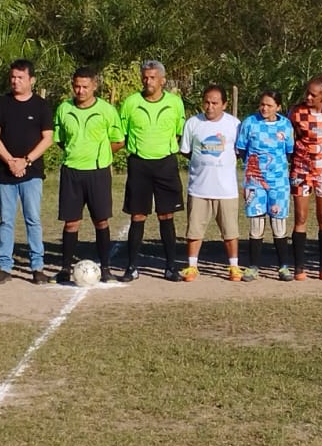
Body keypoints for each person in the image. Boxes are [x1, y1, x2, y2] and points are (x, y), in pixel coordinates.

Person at [53, 68, 124, 284]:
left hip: (98, 172)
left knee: (100, 221)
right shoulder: (63, 109)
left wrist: (101, 155)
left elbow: (119, 140)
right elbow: (60, 139)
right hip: (72, 171)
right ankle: (65, 268)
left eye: (85, 86)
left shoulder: (107, 110)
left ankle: (106, 267)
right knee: (71, 222)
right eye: (77, 86)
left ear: (94, 86)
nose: (80, 90)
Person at [0, 59, 54, 284]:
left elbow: (48, 139)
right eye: (13, 77)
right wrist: (10, 161)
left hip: (32, 172)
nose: (15, 81)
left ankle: (37, 267)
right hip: (6, 173)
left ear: (31, 80)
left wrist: (25, 161)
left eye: (20, 78)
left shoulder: (41, 106)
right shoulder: (1, 103)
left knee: (32, 219)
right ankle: (5, 266)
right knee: (6, 220)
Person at [118, 61, 186, 281]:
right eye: (145, 77)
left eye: (153, 77)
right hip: (139, 164)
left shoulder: (175, 103)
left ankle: (170, 267)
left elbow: (178, 131)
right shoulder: (131, 103)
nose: (148, 81)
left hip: (165, 163)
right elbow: (123, 134)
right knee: (138, 215)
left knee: (166, 214)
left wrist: (163, 149)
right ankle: (131, 267)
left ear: (163, 80)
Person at [178, 84, 244, 281]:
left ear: (224, 104)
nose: (210, 106)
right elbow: (187, 151)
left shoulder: (234, 125)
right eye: (207, 102)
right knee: (194, 229)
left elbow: (239, 152)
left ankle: (233, 266)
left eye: (215, 103)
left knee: (230, 230)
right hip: (199, 188)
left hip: (226, 189)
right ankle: (192, 266)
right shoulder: (192, 123)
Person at [235, 90, 295, 280]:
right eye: (262, 104)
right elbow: (242, 149)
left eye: (269, 105)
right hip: (254, 182)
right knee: (256, 221)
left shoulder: (285, 125)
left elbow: (289, 152)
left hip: (278, 182)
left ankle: (283, 266)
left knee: (278, 223)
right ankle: (253, 266)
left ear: (278, 107)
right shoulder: (250, 123)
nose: (264, 108)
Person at [289, 77, 322, 280]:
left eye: (313, 94)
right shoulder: (296, 112)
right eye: (307, 93)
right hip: (301, 169)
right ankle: (299, 267)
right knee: (300, 217)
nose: (308, 97)